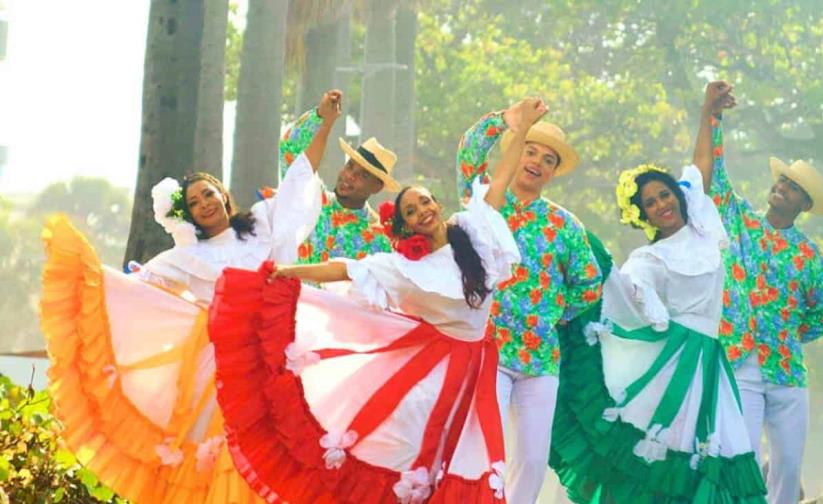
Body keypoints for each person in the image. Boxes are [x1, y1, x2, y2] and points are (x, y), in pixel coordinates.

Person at [207, 99, 550, 504]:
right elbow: (344, 268)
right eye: (411, 209)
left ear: (435, 205)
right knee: (396, 453)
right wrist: (286, 273)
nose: (422, 209)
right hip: (376, 347)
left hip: (471, 368)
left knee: (468, 465)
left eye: (424, 202)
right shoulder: (389, 254)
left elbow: (500, 181)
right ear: (404, 224)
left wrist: (522, 127)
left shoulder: (471, 233)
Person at [39, 129, 328, 502]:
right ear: (188, 215)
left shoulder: (262, 224)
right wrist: (90, 284)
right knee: (237, 453)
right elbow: (141, 286)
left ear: (223, 195)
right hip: (233, 364)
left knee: (291, 446)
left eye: (208, 193)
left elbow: (298, 180)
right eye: (194, 202)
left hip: (285, 352)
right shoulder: (190, 257)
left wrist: (325, 125)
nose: (205, 203)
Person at [549, 163, 767, 503]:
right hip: (673, 363)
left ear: (677, 194)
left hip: (710, 362)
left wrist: (710, 113)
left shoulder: (704, 230)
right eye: (650, 203)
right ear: (643, 215)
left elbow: (702, 169)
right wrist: (593, 253)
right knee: (667, 453)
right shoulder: (649, 258)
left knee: (717, 452)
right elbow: (625, 295)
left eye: (665, 194)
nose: (662, 204)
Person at [692, 81, 823, 504]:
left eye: (793, 187)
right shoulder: (741, 224)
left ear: (804, 204)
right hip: (742, 364)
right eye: (781, 181)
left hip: (788, 371)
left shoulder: (809, 255)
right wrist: (712, 117)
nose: (782, 188)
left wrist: (790, 332)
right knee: (740, 455)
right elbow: (713, 177)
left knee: (788, 466)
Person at [456, 101, 604, 503]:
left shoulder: (565, 225)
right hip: (490, 349)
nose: (538, 162)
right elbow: (469, 151)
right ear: (516, 152)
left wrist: (553, 313)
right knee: (483, 448)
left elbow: (590, 284)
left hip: (541, 359)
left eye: (549, 159)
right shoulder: (485, 199)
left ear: (554, 172)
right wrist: (507, 120)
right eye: (531, 151)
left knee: (533, 459)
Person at [280, 90, 396, 265]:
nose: (349, 176)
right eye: (349, 166)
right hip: (288, 290)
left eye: (362, 175)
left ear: (377, 187)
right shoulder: (313, 199)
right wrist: (320, 116)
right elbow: (290, 149)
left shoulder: (379, 239)